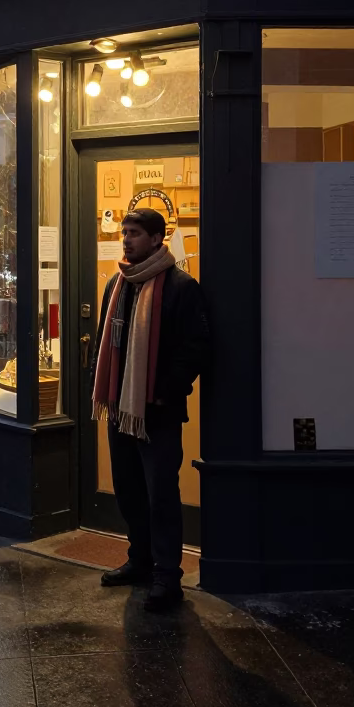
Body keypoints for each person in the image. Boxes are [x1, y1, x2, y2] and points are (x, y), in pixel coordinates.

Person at [91, 208, 208, 611]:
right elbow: (105, 342)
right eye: (124, 232)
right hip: (122, 409)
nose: (126, 239)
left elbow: (195, 348)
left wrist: (164, 392)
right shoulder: (117, 284)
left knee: (161, 495)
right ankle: (139, 561)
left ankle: (167, 577)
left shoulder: (180, 286)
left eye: (135, 233)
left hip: (157, 412)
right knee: (129, 491)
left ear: (157, 238)